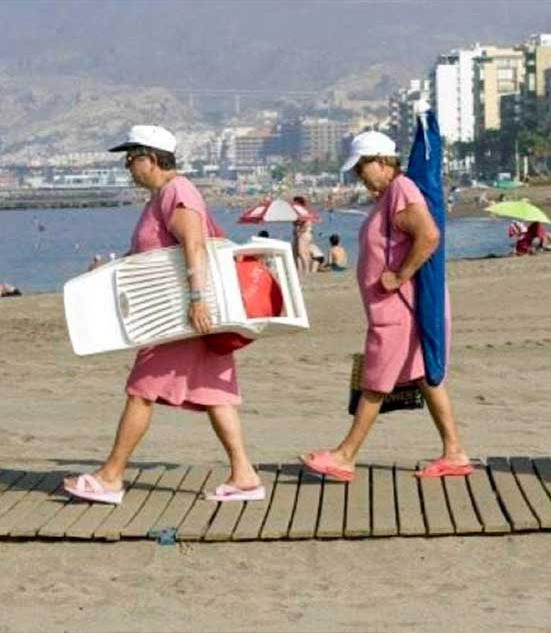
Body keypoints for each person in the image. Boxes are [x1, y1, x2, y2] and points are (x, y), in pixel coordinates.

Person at [62, 125, 263, 504]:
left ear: (151, 158)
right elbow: (150, 257)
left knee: (141, 391)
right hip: (184, 316)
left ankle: (111, 476)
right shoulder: (160, 197)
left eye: (131, 158)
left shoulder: (177, 191)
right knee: (214, 393)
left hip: (180, 319)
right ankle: (245, 475)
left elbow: (194, 243)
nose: (127, 167)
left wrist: (198, 299)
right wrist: (105, 275)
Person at [299, 131, 472, 481]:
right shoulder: (392, 195)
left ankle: (345, 455)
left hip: (397, 310)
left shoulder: (400, 191)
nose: (358, 176)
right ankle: (454, 452)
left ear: (381, 161)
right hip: (396, 309)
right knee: (426, 377)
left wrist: (399, 274)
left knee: (375, 382)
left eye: (362, 167)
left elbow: (429, 235)